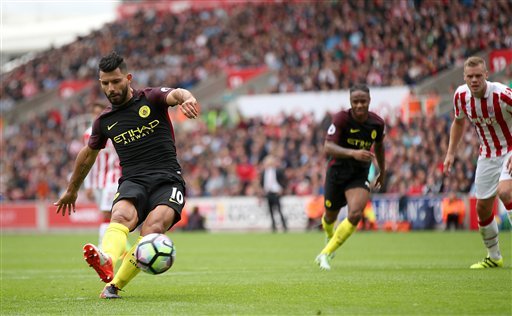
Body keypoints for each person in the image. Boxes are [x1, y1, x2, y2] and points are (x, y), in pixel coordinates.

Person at [54, 51, 199, 298]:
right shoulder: (105, 121)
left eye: (116, 81)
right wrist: (72, 189)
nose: (111, 88)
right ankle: (107, 259)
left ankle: (114, 286)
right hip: (133, 180)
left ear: (128, 78)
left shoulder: (151, 98)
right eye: (105, 83)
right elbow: (87, 155)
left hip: (167, 179)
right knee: (120, 216)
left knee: (151, 229)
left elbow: (177, 93)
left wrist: (189, 98)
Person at [444, 56, 512, 269]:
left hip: (510, 149)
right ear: (464, 77)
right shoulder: (460, 96)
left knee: (505, 192)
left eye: (478, 76)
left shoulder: (502, 95)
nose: (474, 80)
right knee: (482, 208)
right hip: (487, 154)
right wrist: (450, 153)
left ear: (486, 75)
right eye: (470, 76)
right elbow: (458, 122)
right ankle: (494, 257)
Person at [315, 84, 386, 271]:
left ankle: (325, 253)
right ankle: (329, 235)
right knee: (330, 217)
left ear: (369, 101)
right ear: (350, 102)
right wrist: (353, 153)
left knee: (355, 214)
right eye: (356, 101)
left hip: (359, 175)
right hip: (336, 172)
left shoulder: (377, 123)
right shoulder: (341, 119)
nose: (360, 105)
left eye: (363, 101)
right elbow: (328, 147)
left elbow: (379, 146)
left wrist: (382, 171)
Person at [83, 102, 123, 249]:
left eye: (100, 113)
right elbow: (87, 159)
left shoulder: (112, 128)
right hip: (98, 181)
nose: (97, 116)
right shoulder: (89, 133)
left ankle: (106, 247)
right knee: (108, 214)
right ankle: (113, 246)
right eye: (95, 113)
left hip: (112, 178)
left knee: (111, 214)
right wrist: (88, 184)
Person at [260, 154, 288, 232]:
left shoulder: (277, 171)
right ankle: (273, 226)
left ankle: (284, 225)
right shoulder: (264, 172)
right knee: (270, 210)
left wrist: (282, 188)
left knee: (279, 210)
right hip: (268, 192)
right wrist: (263, 190)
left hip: (276, 192)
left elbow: (284, 180)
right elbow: (262, 182)